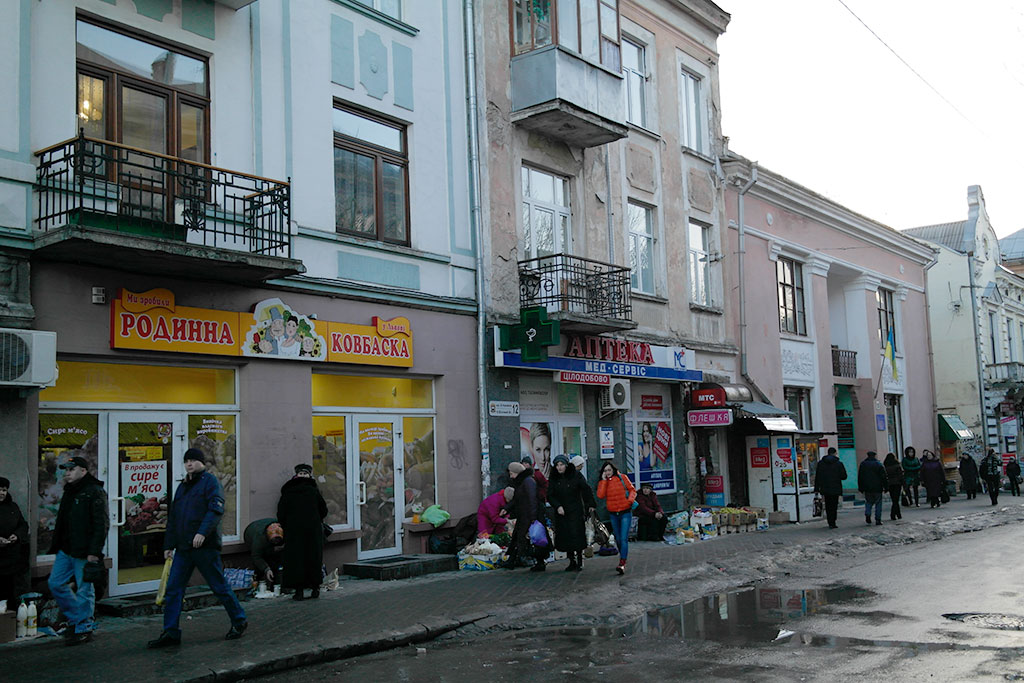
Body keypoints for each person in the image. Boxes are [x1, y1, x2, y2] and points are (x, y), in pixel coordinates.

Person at [148, 449, 247, 648]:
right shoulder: (183, 486)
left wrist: (202, 533)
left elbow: (216, 509)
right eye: (186, 461)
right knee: (174, 589)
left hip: (205, 547)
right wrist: (169, 545)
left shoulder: (210, 482)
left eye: (193, 460)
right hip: (184, 548)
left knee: (218, 586)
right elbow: (174, 518)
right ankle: (171, 632)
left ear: (202, 462)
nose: (189, 464)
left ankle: (239, 620)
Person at [48, 456, 107, 646]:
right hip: (66, 549)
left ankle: (83, 627)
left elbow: (101, 524)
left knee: (84, 589)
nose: (67, 473)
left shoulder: (94, 491)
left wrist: (94, 551)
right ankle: (76, 618)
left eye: (71, 470)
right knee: (55, 583)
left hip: (84, 550)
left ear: (83, 471)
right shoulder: (70, 491)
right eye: (66, 470)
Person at [278, 464, 329, 600]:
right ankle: (315, 589)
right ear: (309, 476)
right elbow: (323, 510)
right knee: (313, 558)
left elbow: (281, 513)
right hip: (313, 532)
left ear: (296, 475)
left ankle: (299, 591)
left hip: (294, 533)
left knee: (296, 560)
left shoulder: (288, 491)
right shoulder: (314, 491)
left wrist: (288, 526)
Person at [547, 455, 596, 572]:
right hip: (562, 512)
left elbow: (586, 490)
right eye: (557, 465)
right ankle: (571, 560)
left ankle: (579, 559)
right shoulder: (554, 478)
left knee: (576, 534)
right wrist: (557, 506)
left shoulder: (575, 475)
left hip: (575, 509)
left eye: (561, 465)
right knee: (566, 536)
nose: (559, 468)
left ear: (566, 465)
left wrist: (590, 504)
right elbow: (550, 495)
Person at [504, 461, 547, 572]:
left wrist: (533, 518)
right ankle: (512, 560)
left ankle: (539, 562)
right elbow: (517, 499)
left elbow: (532, 500)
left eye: (512, 473)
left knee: (535, 539)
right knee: (519, 538)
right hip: (524, 516)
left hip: (530, 516)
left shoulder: (528, 482)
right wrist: (506, 508)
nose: (511, 476)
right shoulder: (522, 482)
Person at [596, 462, 636, 575]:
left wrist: (630, 501)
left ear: (613, 469)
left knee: (623, 538)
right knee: (618, 539)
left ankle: (622, 562)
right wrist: (603, 480)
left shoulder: (622, 477)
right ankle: (622, 556)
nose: (607, 472)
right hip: (613, 514)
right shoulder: (603, 482)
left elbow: (632, 490)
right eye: (605, 471)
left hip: (625, 512)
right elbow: (600, 495)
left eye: (609, 470)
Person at [0, 477, 29, 605]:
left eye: (4, 490)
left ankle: (9, 621)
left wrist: (16, 535)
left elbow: (23, 525)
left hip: (11, 560)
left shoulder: (13, 507)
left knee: (9, 593)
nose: (1, 493)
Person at [242, 518, 285, 587]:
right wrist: (266, 569)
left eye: (278, 540)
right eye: (274, 541)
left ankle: (277, 583)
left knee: (277, 558)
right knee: (263, 560)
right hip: (250, 532)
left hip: (269, 538)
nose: (276, 542)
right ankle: (258, 581)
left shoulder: (284, 529)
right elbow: (256, 556)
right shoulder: (259, 539)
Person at [814, 447, 848, 529]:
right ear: (835, 453)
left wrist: (816, 489)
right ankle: (833, 521)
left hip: (825, 488)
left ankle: (830, 521)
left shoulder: (821, 463)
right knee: (834, 505)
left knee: (828, 505)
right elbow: (844, 476)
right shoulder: (839, 464)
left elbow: (817, 477)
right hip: (835, 488)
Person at [857, 451, 886, 526]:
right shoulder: (878, 464)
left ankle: (868, 514)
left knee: (868, 502)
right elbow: (883, 477)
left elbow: (860, 477)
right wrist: (886, 486)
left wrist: (861, 487)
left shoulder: (863, 464)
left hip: (867, 487)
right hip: (877, 487)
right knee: (878, 503)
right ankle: (878, 519)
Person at [883, 453, 904, 520]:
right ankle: (893, 514)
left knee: (894, 499)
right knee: (896, 500)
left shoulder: (885, 466)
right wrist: (903, 484)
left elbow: (884, 476)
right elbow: (901, 475)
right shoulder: (897, 465)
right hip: (897, 484)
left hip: (890, 484)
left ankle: (898, 514)